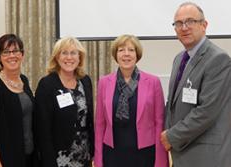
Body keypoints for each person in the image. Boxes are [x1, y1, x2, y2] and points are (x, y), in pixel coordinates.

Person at [161, 2, 231, 167]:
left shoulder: (218, 59)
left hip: (205, 156)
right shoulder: (179, 59)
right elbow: (173, 105)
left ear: (204, 25)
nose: (184, 27)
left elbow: (207, 111)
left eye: (190, 21)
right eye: (178, 23)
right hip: (182, 152)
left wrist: (172, 136)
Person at [94, 34, 168, 167]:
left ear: (137, 54)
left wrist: (161, 161)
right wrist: (98, 160)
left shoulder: (153, 82)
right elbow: (100, 124)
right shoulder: (104, 82)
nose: (126, 54)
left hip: (144, 154)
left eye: (131, 50)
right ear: (116, 55)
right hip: (112, 154)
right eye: (121, 50)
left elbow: (159, 123)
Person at [35, 37, 94, 167]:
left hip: (84, 153)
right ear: (57, 57)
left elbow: (89, 118)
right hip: (59, 156)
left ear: (80, 57)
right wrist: (48, 160)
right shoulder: (47, 85)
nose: (69, 57)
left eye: (73, 53)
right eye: (64, 53)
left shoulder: (85, 81)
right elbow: (42, 128)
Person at [0, 34, 38, 167]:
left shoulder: (24, 80)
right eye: (6, 52)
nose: (12, 55)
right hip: (4, 160)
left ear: (22, 55)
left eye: (16, 51)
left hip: (27, 157)